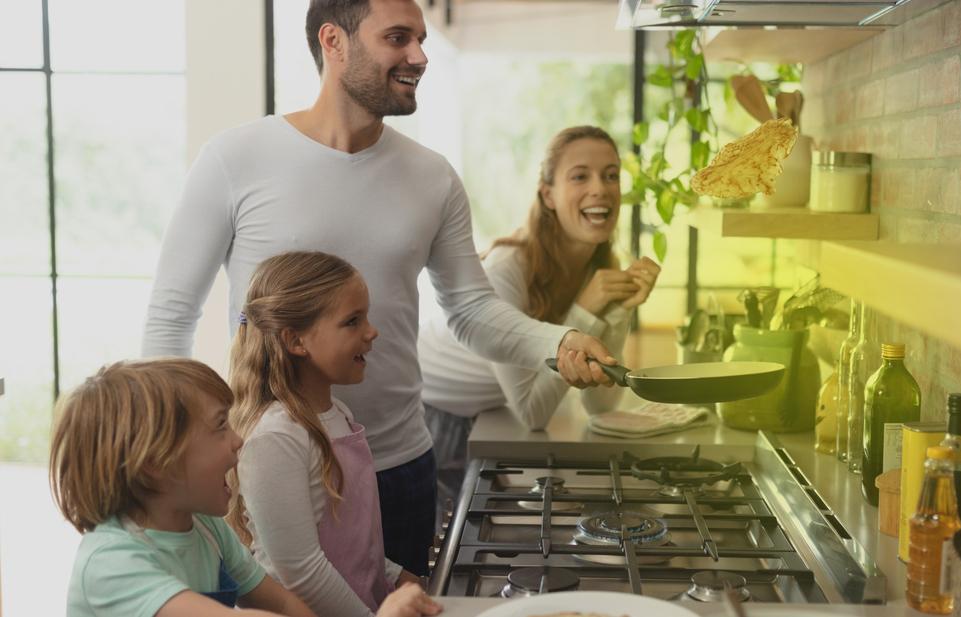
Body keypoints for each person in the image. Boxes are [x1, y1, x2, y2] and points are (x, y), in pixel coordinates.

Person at [141, 0, 614, 576]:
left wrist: (558, 341)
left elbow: (469, 309)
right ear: (333, 41)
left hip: (398, 465)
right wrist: (179, 446)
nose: (418, 56)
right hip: (269, 469)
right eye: (398, 38)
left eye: (420, 39)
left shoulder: (433, 176)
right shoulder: (235, 158)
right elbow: (171, 316)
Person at [417, 126, 660, 521]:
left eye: (611, 175)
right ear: (547, 194)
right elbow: (533, 413)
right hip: (437, 422)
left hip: (496, 415)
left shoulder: (596, 269)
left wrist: (619, 309)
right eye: (580, 176)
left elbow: (600, 403)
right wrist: (585, 310)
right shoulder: (507, 269)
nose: (601, 188)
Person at [227, 251, 441, 617]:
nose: (372, 332)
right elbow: (301, 570)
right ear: (296, 341)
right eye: (353, 322)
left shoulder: (337, 413)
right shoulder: (276, 437)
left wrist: (396, 574)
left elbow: (352, 541)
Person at [48, 358, 318, 617]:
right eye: (220, 425)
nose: (238, 440)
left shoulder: (208, 528)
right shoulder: (110, 562)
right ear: (156, 462)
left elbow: (281, 604)